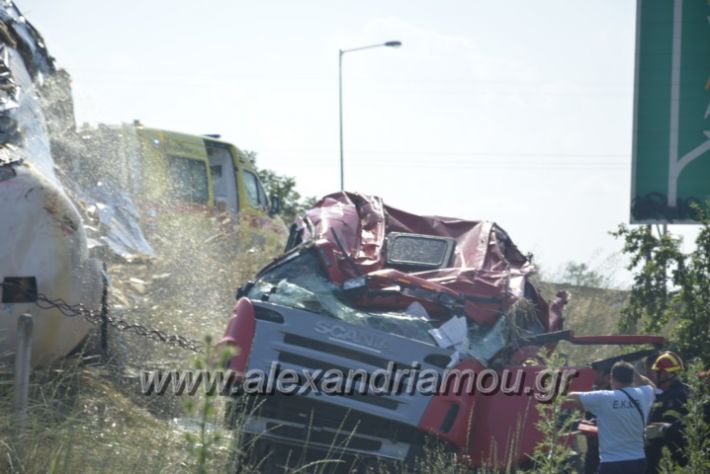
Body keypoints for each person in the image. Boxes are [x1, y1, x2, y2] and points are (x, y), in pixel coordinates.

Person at [568, 361, 655, 474]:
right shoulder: (644, 394)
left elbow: (571, 397)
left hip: (612, 462)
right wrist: (635, 373)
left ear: (611, 377)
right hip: (638, 460)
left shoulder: (604, 397)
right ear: (632, 377)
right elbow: (651, 385)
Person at [644, 351, 689, 473]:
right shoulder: (672, 394)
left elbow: (679, 429)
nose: (654, 376)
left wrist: (664, 429)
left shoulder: (676, 396)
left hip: (667, 461)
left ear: (664, 374)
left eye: (657, 373)